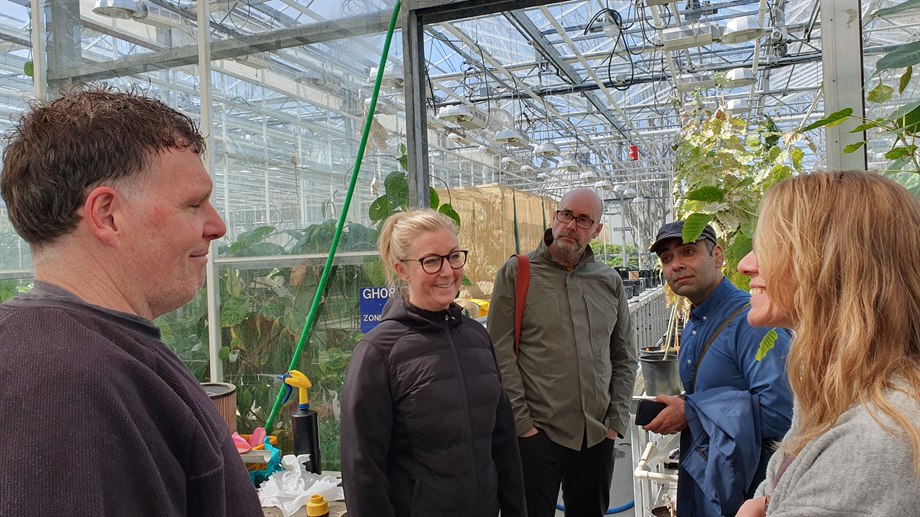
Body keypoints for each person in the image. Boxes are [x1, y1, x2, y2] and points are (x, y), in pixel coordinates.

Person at [0, 86, 261, 515]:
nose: (217, 226)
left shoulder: (88, 354)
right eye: (194, 204)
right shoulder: (63, 385)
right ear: (107, 215)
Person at [735, 171, 920, 517]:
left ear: (832, 262)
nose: (745, 265)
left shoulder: (878, 438)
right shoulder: (835, 388)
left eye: (770, 247)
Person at [339, 209, 526, 517]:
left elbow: (502, 440)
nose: (447, 271)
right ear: (402, 270)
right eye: (431, 260)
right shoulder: (378, 352)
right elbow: (363, 471)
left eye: (453, 256)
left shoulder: (477, 337)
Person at [488, 188, 637, 517]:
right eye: (566, 214)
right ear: (554, 217)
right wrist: (523, 425)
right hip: (537, 435)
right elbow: (499, 353)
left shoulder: (608, 281)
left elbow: (624, 354)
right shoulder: (518, 273)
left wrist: (615, 422)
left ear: (597, 230)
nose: (571, 225)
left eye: (584, 219)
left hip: (596, 436)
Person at [645, 220, 793, 516]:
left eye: (688, 252)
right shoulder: (695, 321)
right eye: (667, 258)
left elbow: (781, 414)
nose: (676, 265)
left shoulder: (750, 322)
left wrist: (693, 412)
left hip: (749, 489)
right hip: (714, 478)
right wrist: (688, 407)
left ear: (718, 256)